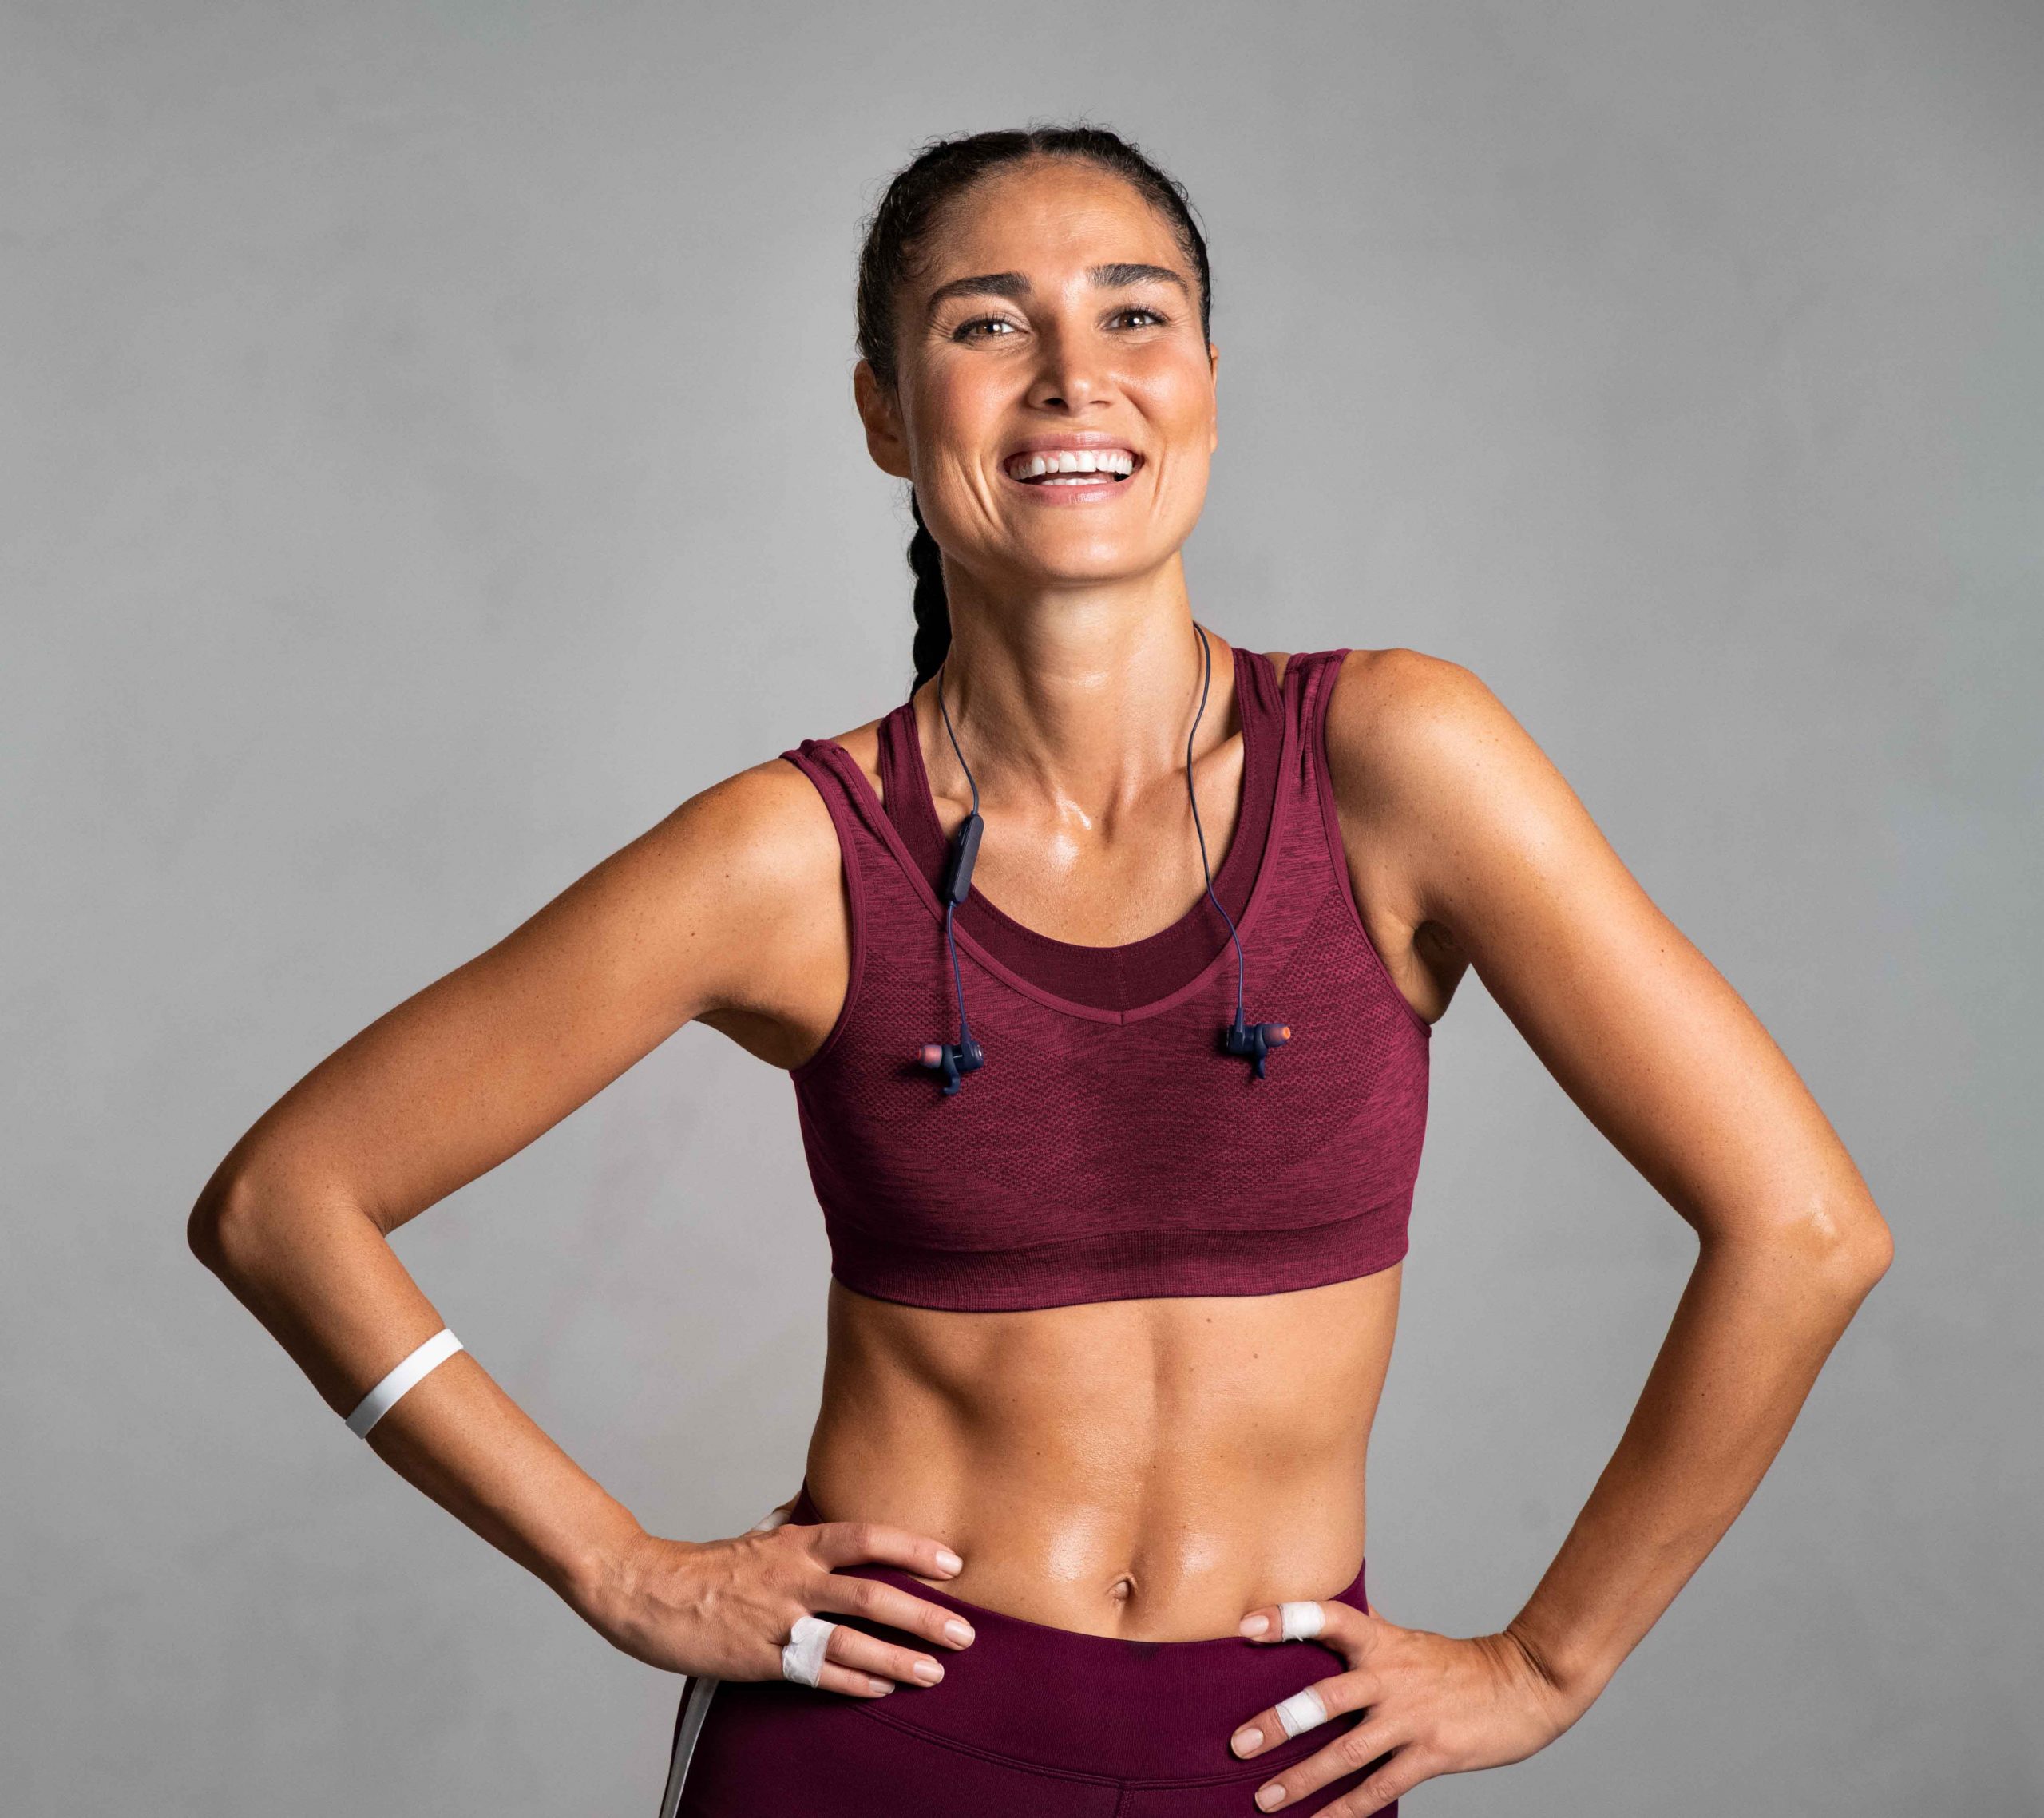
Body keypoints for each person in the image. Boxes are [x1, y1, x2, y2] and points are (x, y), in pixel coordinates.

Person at [188, 125, 1894, 1817]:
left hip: (1280, 1758)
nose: (1074, 377)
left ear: (1209, 378)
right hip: (872, 1745)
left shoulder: (1395, 760)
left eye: (1133, 315)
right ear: (881, 410)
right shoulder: (795, 854)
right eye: (985, 323)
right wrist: (616, 1567)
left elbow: (1804, 1229)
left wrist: (1545, 1664)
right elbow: (286, 1199)